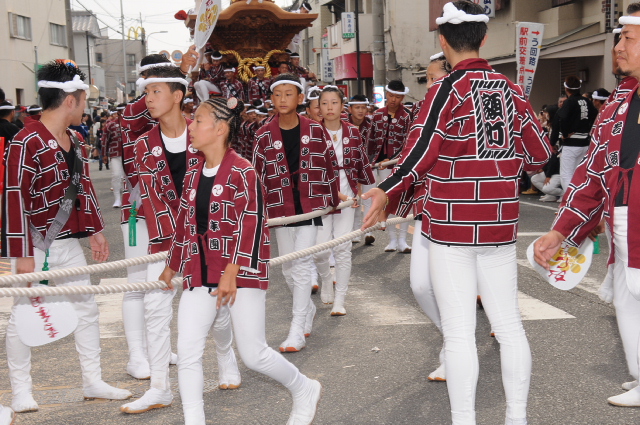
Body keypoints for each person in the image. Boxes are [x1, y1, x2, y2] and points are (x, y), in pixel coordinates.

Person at [362, 2, 551, 423]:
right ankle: (517, 418)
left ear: (443, 40)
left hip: (451, 228)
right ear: (484, 38)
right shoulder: (512, 89)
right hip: (500, 226)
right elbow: (540, 155)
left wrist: (385, 190)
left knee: (460, 332)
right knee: (510, 326)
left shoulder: (444, 90)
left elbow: (420, 154)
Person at [160, 96, 322, 425]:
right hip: (199, 274)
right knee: (188, 352)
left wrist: (230, 273)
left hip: (241, 274)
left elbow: (251, 225)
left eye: (199, 120)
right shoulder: (193, 173)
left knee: (254, 354)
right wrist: (171, 266)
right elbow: (184, 225)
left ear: (220, 128)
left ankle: (304, 388)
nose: (191, 126)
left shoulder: (243, 172)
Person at [1, 61, 132, 414]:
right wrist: (21, 253)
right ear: (70, 100)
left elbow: (83, 186)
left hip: (69, 243)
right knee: (22, 316)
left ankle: (93, 380)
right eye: (84, 99)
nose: (85, 106)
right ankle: (21, 392)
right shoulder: (25, 141)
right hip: (32, 245)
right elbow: (13, 198)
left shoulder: (75, 139)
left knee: (86, 308)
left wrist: (96, 230)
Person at [534, 3, 640, 407]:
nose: (618, 48)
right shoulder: (617, 101)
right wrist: (560, 230)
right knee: (627, 298)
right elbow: (592, 173)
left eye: (628, 38)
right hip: (623, 217)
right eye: (618, 39)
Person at [120, 65, 241, 414]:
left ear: (178, 96)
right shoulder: (143, 144)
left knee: (216, 304)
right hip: (164, 239)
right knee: (155, 308)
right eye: (146, 92)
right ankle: (160, 386)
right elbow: (153, 200)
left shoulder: (202, 132)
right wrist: (174, 245)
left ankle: (226, 356)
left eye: (156, 91)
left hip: (206, 235)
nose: (148, 99)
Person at [252, 74, 340, 352]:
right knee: (288, 269)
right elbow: (256, 174)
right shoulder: (263, 135)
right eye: (277, 94)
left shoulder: (315, 130)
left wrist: (333, 197)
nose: (282, 99)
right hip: (279, 207)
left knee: (301, 266)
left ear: (300, 98)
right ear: (271, 99)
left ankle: (297, 328)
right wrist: (256, 209)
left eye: (288, 94)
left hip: (309, 204)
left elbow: (329, 164)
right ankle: (307, 311)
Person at [315, 86, 374, 314]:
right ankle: (325, 279)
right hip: (320, 193)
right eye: (325, 103)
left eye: (334, 102)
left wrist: (357, 193)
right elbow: (310, 169)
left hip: (347, 193)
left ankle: (340, 300)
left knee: (343, 248)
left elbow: (360, 163)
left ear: (342, 106)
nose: (329, 107)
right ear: (319, 107)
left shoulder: (353, 132)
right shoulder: (312, 132)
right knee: (320, 250)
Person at [362, 80, 413, 252]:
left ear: (402, 98)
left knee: (404, 200)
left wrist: (393, 158)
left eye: (397, 97)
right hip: (381, 165)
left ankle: (403, 240)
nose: (393, 100)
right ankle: (392, 240)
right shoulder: (377, 115)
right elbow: (370, 140)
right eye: (391, 96)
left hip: (403, 165)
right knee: (387, 200)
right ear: (386, 95)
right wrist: (368, 162)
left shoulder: (407, 116)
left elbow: (408, 142)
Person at [557, 75, 598, 191]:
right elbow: (596, 116)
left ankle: (570, 199)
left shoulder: (570, 102)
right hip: (585, 143)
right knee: (579, 175)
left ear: (566, 88)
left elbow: (562, 118)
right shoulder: (587, 101)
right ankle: (578, 199)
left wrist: (565, 134)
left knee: (566, 175)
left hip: (571, 143)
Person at [346, 94, 374, 241]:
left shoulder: (371, 125)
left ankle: (368, 231)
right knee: (353, 200)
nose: (361, 110)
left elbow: (377, 145)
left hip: (368, 166)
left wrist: (373, 161)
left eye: (363, 107)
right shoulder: (343, 124)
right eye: (357, 107)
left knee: (368, 198)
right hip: (349, 168)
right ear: (350, 109)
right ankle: (355, 232)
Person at [101, 104, 126, 207]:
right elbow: (105, 140)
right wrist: (104, 154)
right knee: (116, 175)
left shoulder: (132, 124)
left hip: (129, 154)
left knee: (128, 177)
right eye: (123, 111)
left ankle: (128, 199)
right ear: (118, 112)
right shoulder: (110, 125)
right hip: (115, 154)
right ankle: (117, 199)